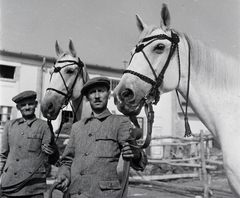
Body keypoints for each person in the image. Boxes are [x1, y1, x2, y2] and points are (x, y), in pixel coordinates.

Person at [55, 77, 147, 198]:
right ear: (87, 98)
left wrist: (136, 154)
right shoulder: (77, 127)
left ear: (108, 95)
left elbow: (141, 162)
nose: (97, 96)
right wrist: (64, 175)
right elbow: (67, 161)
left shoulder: (120, 123)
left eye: (101, 91)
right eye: (92, 92)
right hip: (76, 193)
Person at [0, 90, 60, 198]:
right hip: (9, 183)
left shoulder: (44, 126)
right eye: (23, 105)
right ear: (18, 107)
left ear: (36, 105)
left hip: (33, 185)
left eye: (30, 104)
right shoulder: (10, 125)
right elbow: (3, 155)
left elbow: (51, 158)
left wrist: (52, 151)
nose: (27, 107)